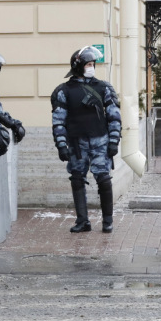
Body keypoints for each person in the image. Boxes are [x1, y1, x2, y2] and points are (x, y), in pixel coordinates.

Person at [51, 46, 121, 234]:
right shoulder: (63, 91)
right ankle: (83, 220)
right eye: (88, 64)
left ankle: (108, 220)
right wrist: (61, 144)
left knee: (104, 179)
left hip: (100, 140)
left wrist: (114, 140)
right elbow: (58, 121)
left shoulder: (104, 87)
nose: (92, 67)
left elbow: (114, 115)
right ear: (78, 66)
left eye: (93, 64)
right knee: (77, 179)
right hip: (76, 143)